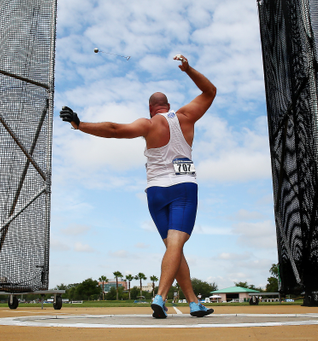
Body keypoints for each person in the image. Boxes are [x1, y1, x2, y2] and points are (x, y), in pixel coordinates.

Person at [60, 54, 216, 318]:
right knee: (176, 245)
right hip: (184, 188)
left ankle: (194, 302)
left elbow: (113, 129)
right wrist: (188, 69)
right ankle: (160, 297)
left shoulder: (148, 124)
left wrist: (80, 124)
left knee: (173, 247)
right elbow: (210, 91)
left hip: (155, 192)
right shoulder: (187, 116)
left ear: (150, 109)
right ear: (168, 105)